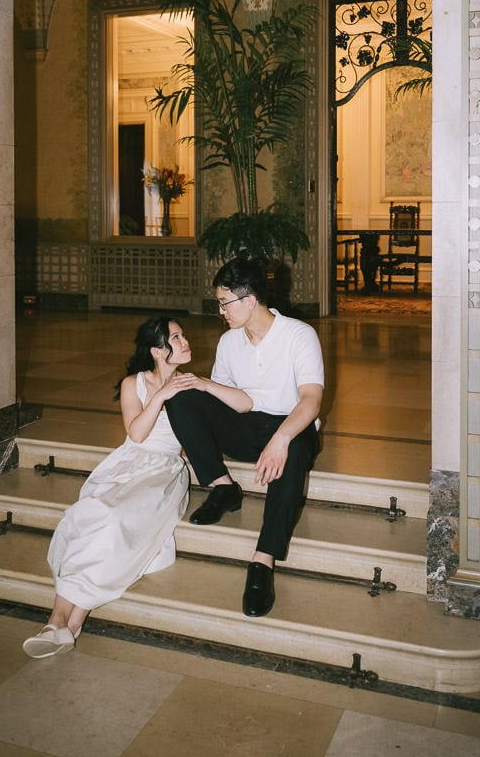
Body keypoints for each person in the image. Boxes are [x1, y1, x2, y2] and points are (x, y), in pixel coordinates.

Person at [22, 315, 193, 658]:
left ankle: (70, 621)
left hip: (164, 472)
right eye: (176, 337)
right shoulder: (134, 384)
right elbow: (137, 433)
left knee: (115, 521)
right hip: (130, 462)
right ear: (158, 351)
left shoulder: (192, 384)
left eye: (182, 334)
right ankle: (60, 619)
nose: (186, 341)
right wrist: (161, 394)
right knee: (93, 512)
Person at [165, 256, 323, 618]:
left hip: (292, 426)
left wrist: (280, 439)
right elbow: (235, 401)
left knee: (296, 447)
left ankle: (262, 561)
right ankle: (223, 487)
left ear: (249, 300)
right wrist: (203, 384)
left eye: (225, 302)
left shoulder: (299, 335)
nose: (221, 310)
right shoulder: (229, 342)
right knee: (183, 396)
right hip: (249, 424)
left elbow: (311, 401)